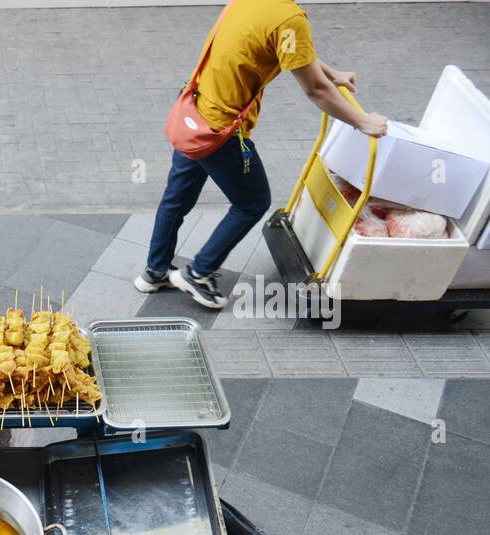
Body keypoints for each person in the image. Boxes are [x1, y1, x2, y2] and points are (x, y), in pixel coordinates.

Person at [136, 0, 387, 308]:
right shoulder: (289, 18)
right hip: (221, 132)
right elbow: (315, 90)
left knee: (176, 198)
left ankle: (155, 271)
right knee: (252, 203)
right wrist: (363, 122)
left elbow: (287, 48)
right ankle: (198, 273)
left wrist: (331, 73)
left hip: (193, 115)